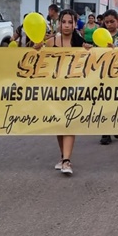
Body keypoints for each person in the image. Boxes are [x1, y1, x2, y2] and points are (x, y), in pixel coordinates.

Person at [43, 9, 92, 174]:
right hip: (55, 90)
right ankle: (63, 155)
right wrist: (35, 48)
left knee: (69, 123)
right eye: (63, 22)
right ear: (59, 23)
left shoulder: (80, 44)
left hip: (74, 90)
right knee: (59, 125)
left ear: (74, 24)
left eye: (70, 22)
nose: (66, 25)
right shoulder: (51, 42)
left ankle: (66, 161)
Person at [99, 10, 118, 146]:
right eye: (107, 22)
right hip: (104, 73)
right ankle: (105, 132)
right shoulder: (100, 34)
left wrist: (115, 50)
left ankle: (117, 125)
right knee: (105, 102)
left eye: (112, 21)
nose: (109, 24)